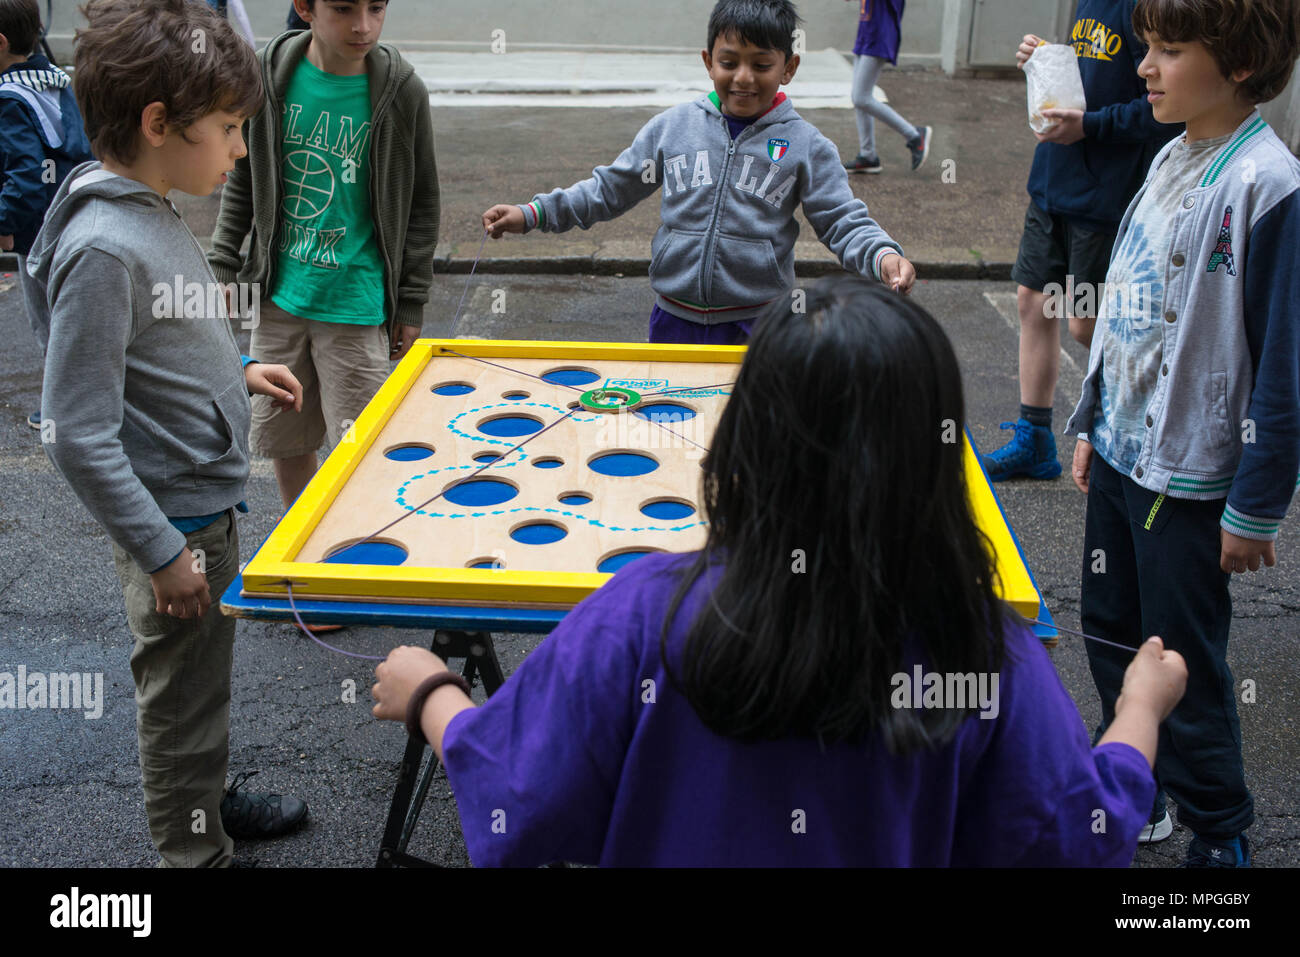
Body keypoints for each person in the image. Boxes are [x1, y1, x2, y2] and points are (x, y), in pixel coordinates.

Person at [372, 276, 1188, 867]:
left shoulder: (642, 614)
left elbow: (521, 803)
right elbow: (1074, 836)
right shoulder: (981, 651)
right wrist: (1137, 714)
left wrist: (434, 697)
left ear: (746, 440)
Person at [25, 0, 309, 867]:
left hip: (193, 512)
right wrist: (160, 552)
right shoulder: (109, 245)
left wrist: (236, 366)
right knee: (179, 699)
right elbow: (76, 430)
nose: (239, 148)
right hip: (175, 526)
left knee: (197, 686)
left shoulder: (139, 197)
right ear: (158, 124)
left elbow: (157, 342)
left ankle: (206, 804)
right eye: (228, 128)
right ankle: (195, 854)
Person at [1066, 0, 1300, 867]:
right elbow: (1128, 307)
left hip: (1191, 479)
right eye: (1148, 48)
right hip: (1125, 456)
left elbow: (1285, 364)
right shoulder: (1170, 154)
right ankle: (1141, 777)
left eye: (1168, 51)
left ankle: (1221, 827)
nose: (1144, 68)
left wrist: (1257, 506)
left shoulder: (1269, 185)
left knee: (1183, 656)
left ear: (1238, 61)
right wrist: (1091, 420)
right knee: (1109, 625)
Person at [482, 0, 915, 346]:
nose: (743, 78)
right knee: (671, 430)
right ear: (709, 61)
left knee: (745, 439)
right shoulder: (672, 128)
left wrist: (883, 256)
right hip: (673, 320)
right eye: (730, 62)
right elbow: (608, 190)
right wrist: (533, 213)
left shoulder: (808, 146)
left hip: (758, 327)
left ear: (789, 68)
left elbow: (841, 219)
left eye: (761, 65)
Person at [209, 0, 439, 514]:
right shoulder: (268, 75)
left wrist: (410, 301)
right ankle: (305, 539)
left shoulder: (402, 92)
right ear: (305, 8)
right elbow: (241, 176)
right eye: (343, 9)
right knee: (287, 438)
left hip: (355, 306)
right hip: (279, 301)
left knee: (363, 447)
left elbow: (424, 201)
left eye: (376, 8)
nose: (364, 26)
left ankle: (360, 546)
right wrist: (223, 259)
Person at [982, 0, 1180, 482]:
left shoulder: (1151, 9)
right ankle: (1035, 440)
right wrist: (1044, 62)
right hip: (1053, 179)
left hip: (1104, 194)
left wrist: (1090, 126)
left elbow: (1164, 111)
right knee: (1032, 301)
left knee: (1087, 325)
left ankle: (1135, 438)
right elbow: (1091, 73)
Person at [0, 0, 92, 430]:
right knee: (73, 316)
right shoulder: (54, 79)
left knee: (49, 324)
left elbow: (25, 177)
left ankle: (64, 410)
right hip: (73, 214)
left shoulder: (9, 99)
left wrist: (4, 224)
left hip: (37, 231)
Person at [840, 0, 931, 174]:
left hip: (880, 35)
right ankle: (868, 156)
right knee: (858, 97)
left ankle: (914, 135)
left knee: (861, 97)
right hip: (867, 32)